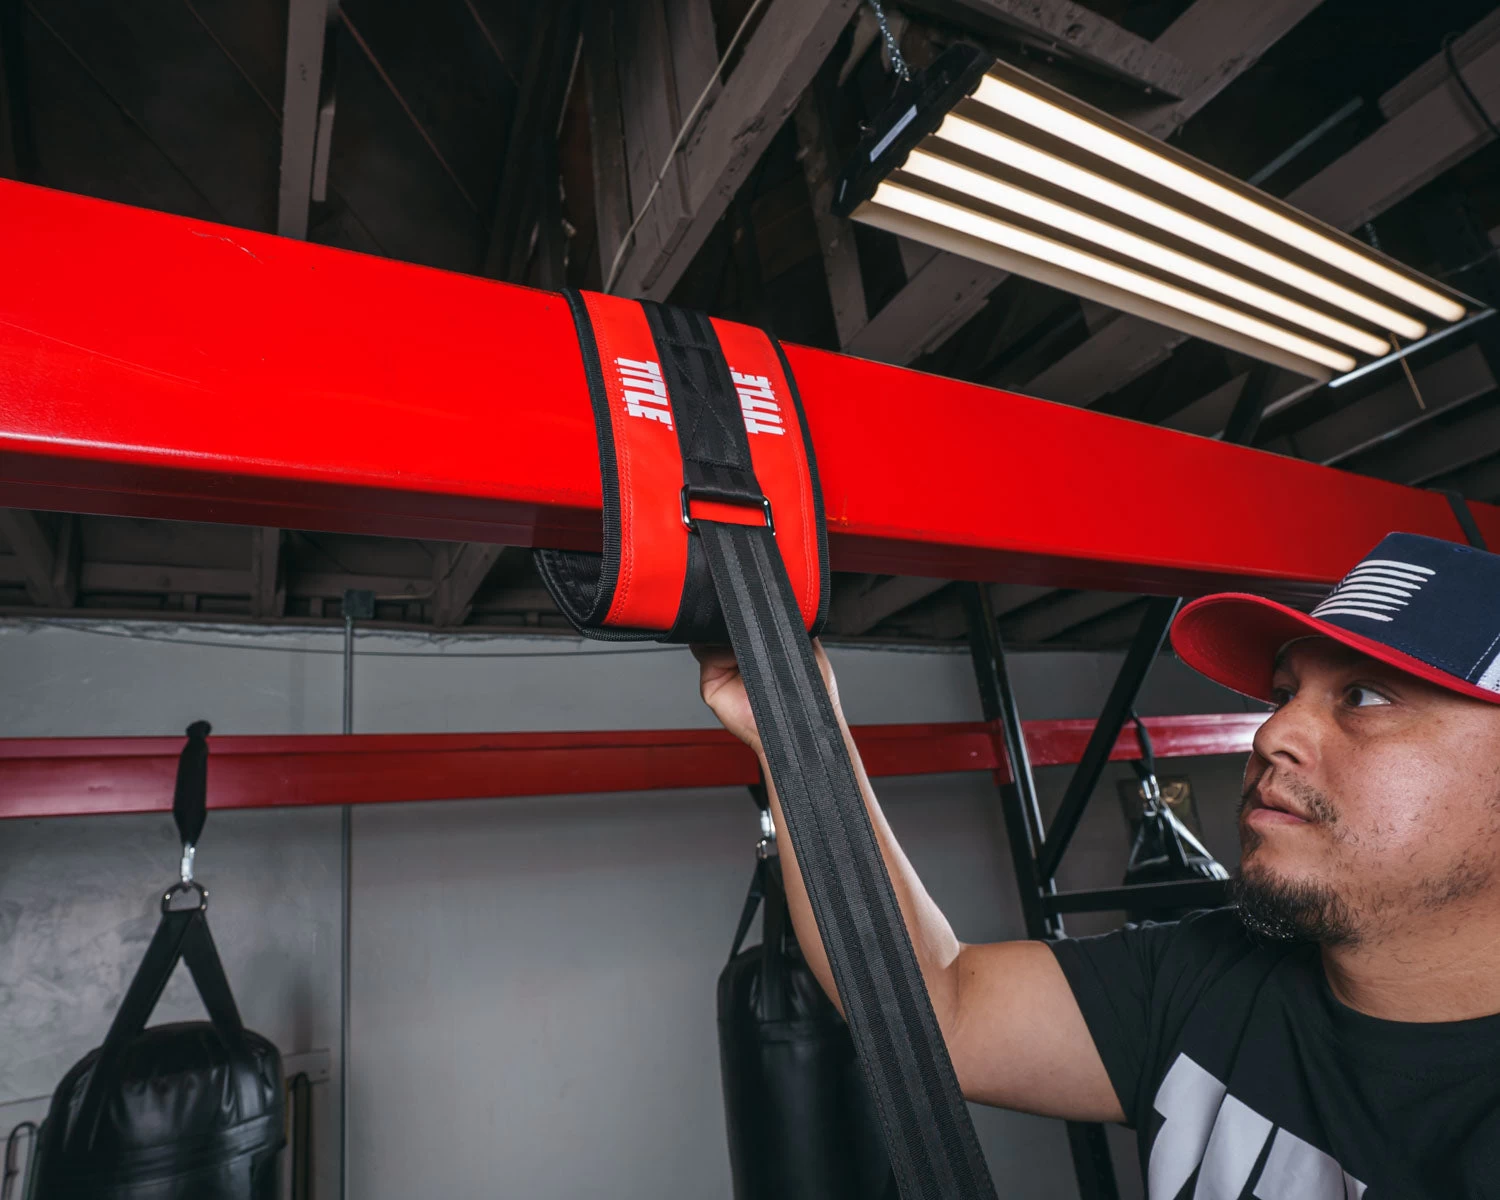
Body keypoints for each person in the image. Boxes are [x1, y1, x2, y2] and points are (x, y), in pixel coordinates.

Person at [694, 531, 1500, 1198]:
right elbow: (939, 1007)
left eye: (1364, 697)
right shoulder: (1206, 976)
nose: (1272, 734)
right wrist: (793, 723)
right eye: (1283, 693)